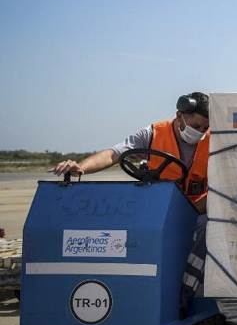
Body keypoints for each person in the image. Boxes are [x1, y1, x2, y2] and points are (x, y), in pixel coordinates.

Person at [52, 92, 211, 307]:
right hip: (157, 207)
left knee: (207, 225)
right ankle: (127, 282)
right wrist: (80, 168)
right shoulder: (154, 133)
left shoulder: (214, 140)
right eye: (195, 126)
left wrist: (193, 209)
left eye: (204, 128)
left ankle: (185, 293)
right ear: (179, 115)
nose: (200, 132)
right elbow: (113, 154)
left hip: (195, 209)